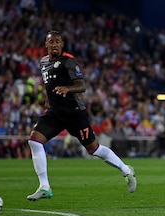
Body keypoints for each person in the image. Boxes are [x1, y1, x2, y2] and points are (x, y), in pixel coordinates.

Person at [26, 30, 136, 201]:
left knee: (94, 149)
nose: (54, 44)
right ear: (46, 45)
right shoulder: (43, 62)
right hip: (55, 113)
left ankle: (126, 170)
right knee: (34, 141)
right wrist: (49, 99)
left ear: (62, 45)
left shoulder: (68, 61)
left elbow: (81, 85)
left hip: (74, 113)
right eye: (51, 42)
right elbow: (50, 84)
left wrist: (67, 89)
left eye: (57, 41)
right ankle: (44, 187)